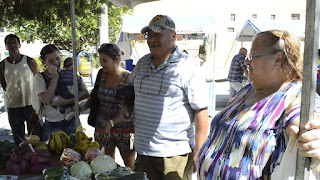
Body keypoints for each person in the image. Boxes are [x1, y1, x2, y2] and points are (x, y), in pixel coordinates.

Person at [197, 30, 320, 179]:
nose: (246, 61)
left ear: (278, 60)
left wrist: (313, 138)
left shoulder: (296, 96)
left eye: (253, 55)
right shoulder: (249, 89)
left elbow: (307, 120)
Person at [110, 14, 209, 179]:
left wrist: (199, 150)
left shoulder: (188, 66)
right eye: (149, 35)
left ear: (173, 36)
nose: (151, 39)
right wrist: (127, 105)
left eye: (157, 34)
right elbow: (130, 90)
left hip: (175, 155)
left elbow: (201, 111)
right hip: (143, 151)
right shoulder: (142, 63)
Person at [80, 43, 135, 170]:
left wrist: (113, 122)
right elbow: (95, 96)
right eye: (100, 60)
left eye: (104, 60)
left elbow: (131, 109)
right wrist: (83, 107)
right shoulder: (101, 75)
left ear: (116, 60)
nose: (101, 64)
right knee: (105, 165)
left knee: (129, 166)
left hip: (126, 130)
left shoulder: (128, 78)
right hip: (103, 128)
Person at [32, 44, 89, 141]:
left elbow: (85, 93)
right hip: (52, 124)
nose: (56, 63)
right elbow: (45, 99)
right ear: (43, 61)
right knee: (52, 153)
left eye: (58, 59)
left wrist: (66, 102)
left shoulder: (68, 74)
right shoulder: (40, 78)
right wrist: (54, 79)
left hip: (72, 121)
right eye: (51, 61)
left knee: (77, 151)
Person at [0, 34, 39, 144]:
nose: (12, 45)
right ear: (6, 46)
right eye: (9, 43)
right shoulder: (2, 65)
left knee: (35, 135)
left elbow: (38, 81)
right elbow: (4, 84)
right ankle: (21, 156)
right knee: (18, 137)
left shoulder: (30, 61)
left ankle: (36, 157)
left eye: (14, 42)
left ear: (19, 44)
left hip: (30, 104)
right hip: (13, 106)